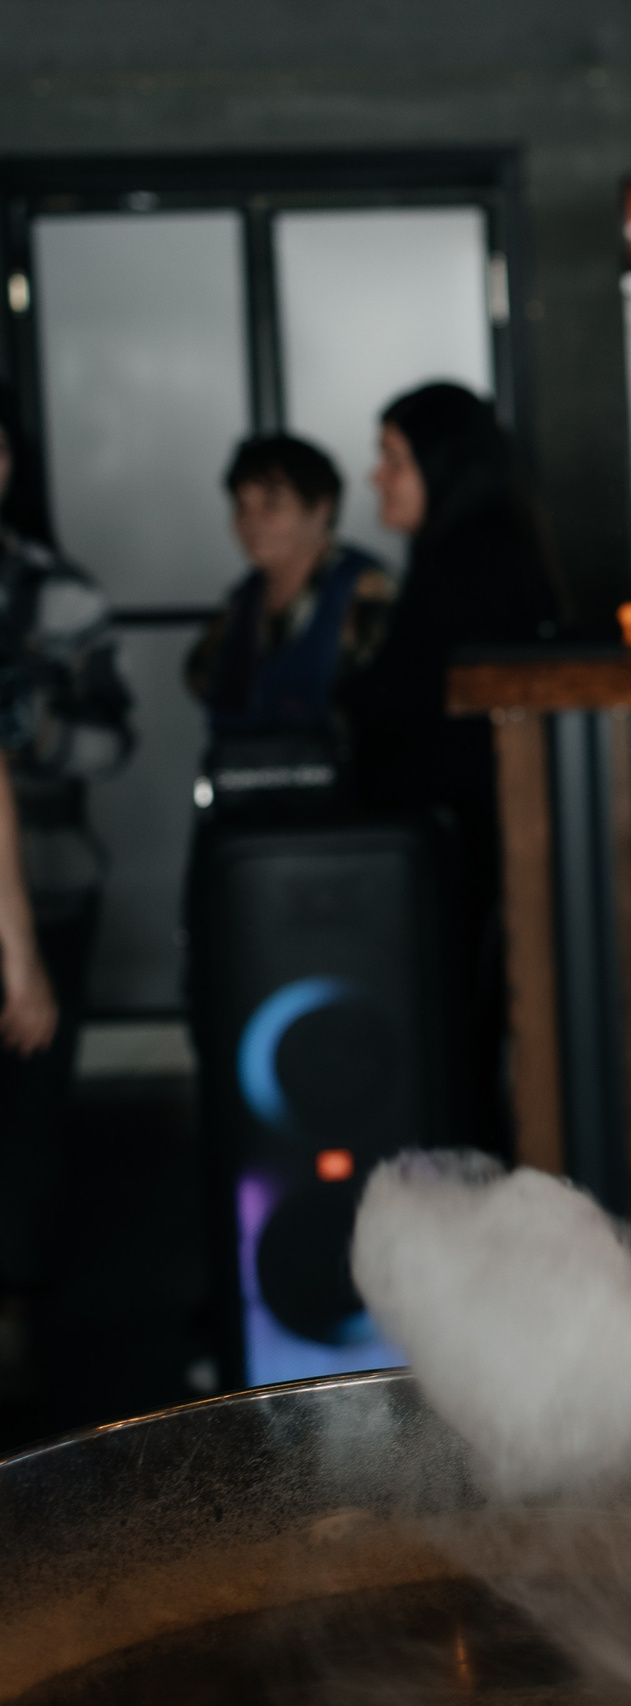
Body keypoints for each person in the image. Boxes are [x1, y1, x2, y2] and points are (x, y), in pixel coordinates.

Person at [344, 383, 564, 1148]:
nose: (376, 476)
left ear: (443, 465)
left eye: (394, 458)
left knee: (458, 1051)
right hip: (459, 849)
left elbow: (408, 713)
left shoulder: (472, 564)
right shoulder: (468, 552)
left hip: (463, 855)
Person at [0, 404, 131, 1403]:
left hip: (48, 879)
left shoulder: (60, 592)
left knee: (32, 1112)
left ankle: (20, 1309)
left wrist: (36, 733)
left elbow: (113, 741)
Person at [186, 434, 395, 740]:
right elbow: (200, 676)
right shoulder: (244, 598)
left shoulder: (365, 590)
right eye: (241, 505)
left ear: (321, 508)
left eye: (271, 504)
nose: (251, 521)